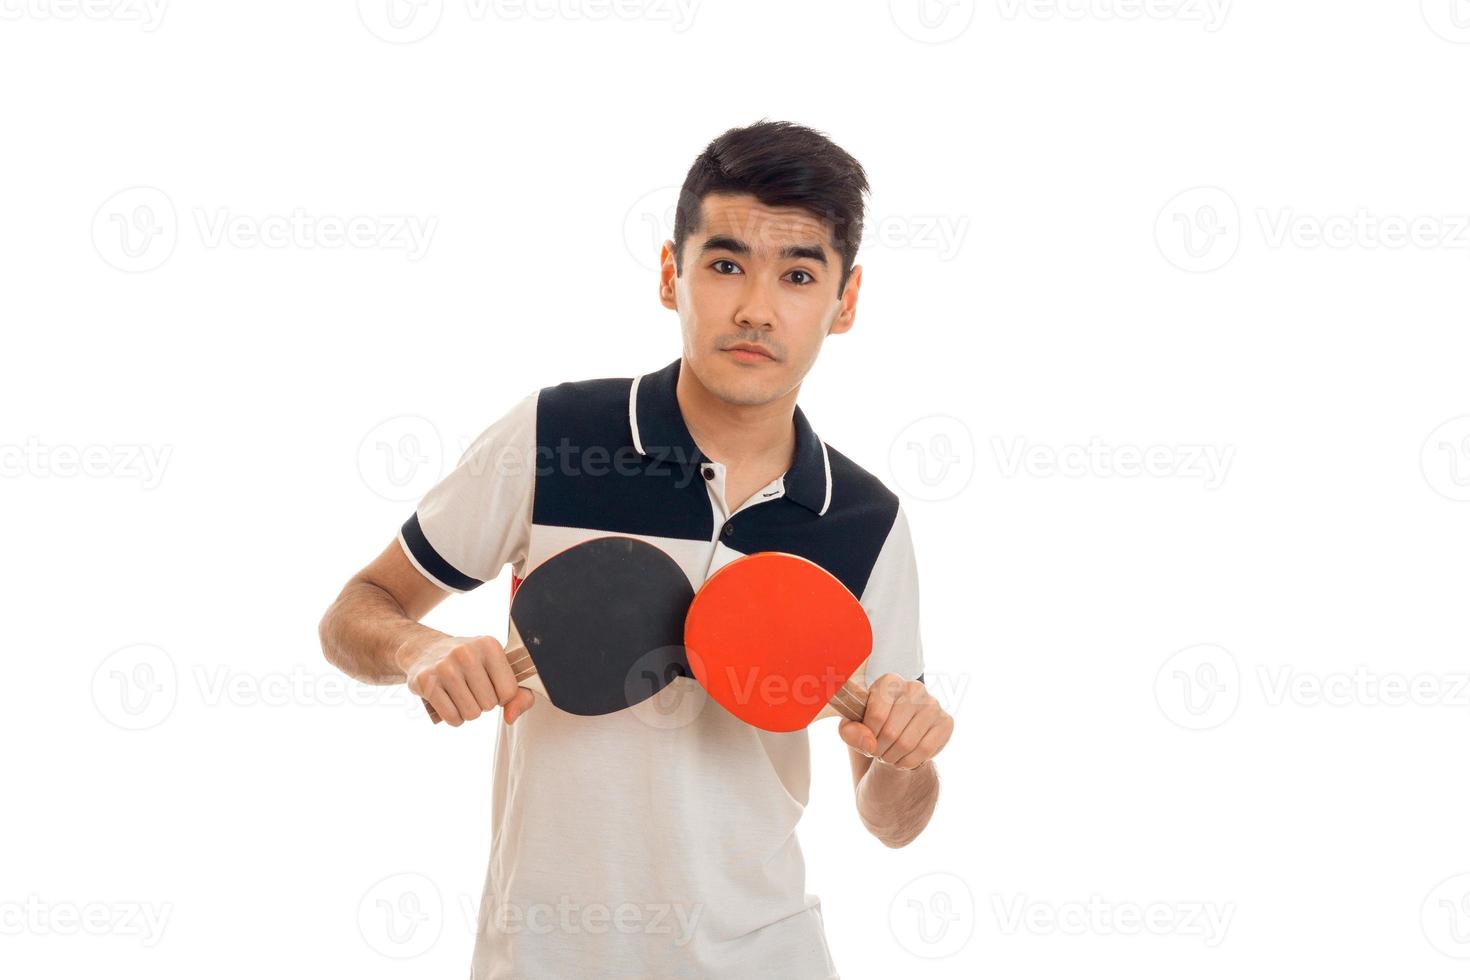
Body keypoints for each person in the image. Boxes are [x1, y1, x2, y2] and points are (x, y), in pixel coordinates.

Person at [319, 119, 954, 979]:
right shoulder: (556, 435)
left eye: (799, 275)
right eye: (725, 264)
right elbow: (356, 611)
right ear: (671, 275)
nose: (756, 308)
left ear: (845, 303)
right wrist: (420, 647)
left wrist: (905, 755)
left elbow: (890, 817)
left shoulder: (867, 523)